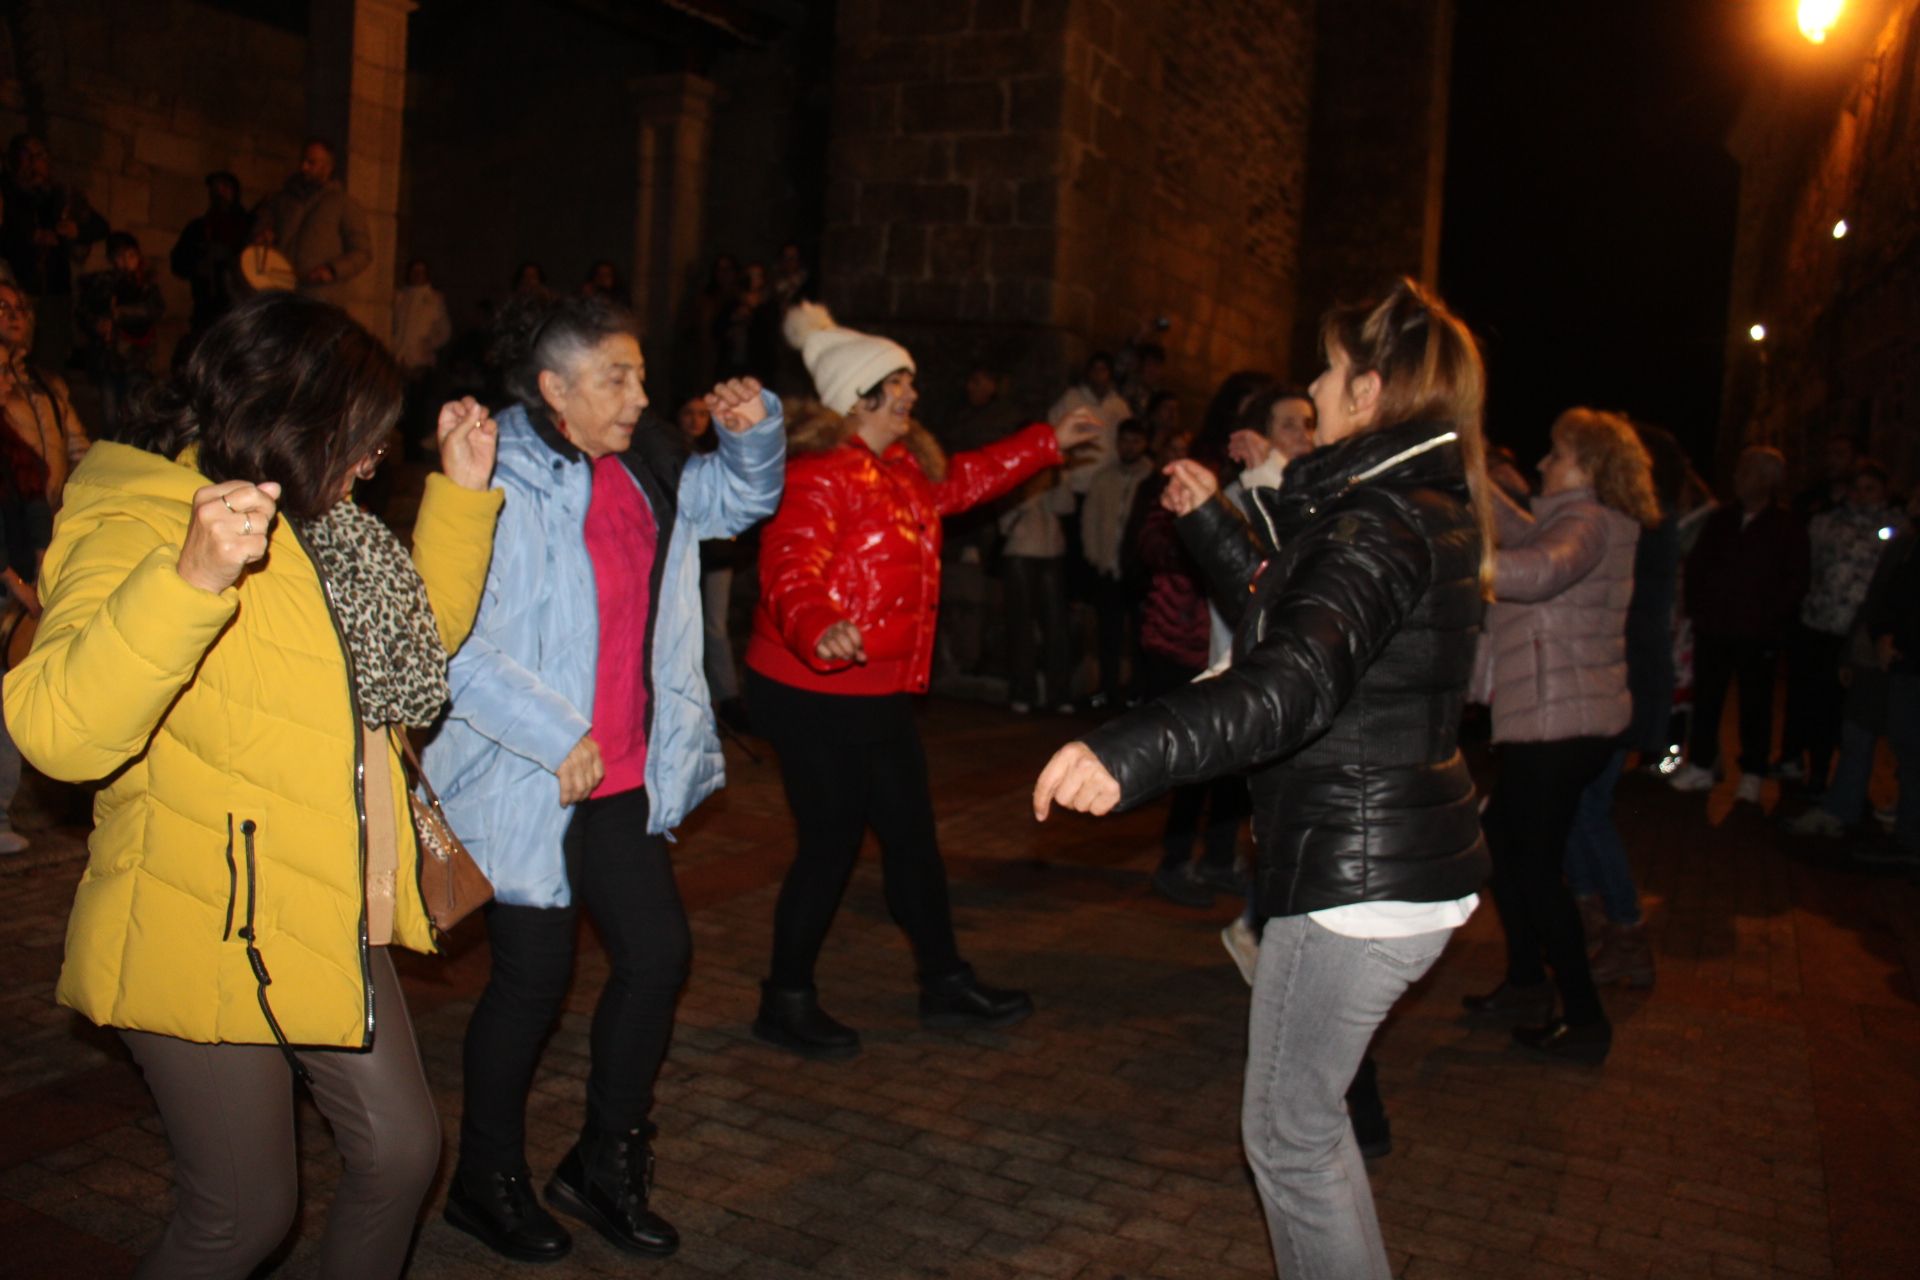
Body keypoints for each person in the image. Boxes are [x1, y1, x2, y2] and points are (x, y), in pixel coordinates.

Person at [2, 291, 503, 1279]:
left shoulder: (327, 523)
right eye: (360, 438)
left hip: (323, 904)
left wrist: (460, 495)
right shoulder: (134, 515)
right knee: (241, 1213)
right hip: (199, 918)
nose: (371, 462)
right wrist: (187, 582)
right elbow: (57, 729)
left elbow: (407, 649)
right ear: (294, 414)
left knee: (401, 1151)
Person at [1033, 277, 1492, 1280]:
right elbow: (1303, 615)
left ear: (1370, 390)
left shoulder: (1379, 519)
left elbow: (1292, 679)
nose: (1314, 387)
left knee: (1290, 1134)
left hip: (1358, 874)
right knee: (1310, 1129)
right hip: (1393, 853)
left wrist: (1128, 749)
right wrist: (1213, 526)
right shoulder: (1414, 506)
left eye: (1328, 371)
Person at [424, 293, 784, 1264]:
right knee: (532, 980)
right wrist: (553, 730)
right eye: (616, 377)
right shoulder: (488, 472)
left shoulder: (647, 465)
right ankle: (483, 1178)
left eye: (639, 372)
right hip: (526, 776)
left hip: (623, 774)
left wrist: (756, 438)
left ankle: (602, 1160)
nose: (642, 392)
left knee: (657, 956)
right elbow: (452, 641)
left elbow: (739, 502)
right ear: (553, 387)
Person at [747, 301, 1097, 1059]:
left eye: (908, 383)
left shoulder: (904, 470)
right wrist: (816, 623)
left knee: (912, 842)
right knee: (831, 845)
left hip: (873, 692)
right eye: (896, 384)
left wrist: (1045, 442)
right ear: (857, 398)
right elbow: (788, 567)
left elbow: (967, 481)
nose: (912, 395)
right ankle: (785, 999)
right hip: (813, 690)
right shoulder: (819, 473)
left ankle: (944, 982)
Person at [1463, 410, 1658, 1063]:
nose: (1544, 463)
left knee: (1535, 868)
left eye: (1557, 452)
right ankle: (1528, 985)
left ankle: (1583, 1017)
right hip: (1558, 720)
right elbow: (1520, 529)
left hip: (1558, 724)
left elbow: (1534, 570)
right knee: (1509, 852)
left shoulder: (1591, 523)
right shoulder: (1580, 519)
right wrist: (1468, 470)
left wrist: (1452, 553)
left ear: (1590, 465)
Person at [1565, 420, 1691, 989]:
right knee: (1578, 805)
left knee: (1586, 807)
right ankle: (1599, 919)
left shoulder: (1641, 522)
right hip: (1622, 676)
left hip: (1626, 679)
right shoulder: (1644, 518)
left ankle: (1622, 926)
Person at [1669, 446, 1809, 802]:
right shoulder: (1722, 520)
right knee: (1707, 699)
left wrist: (1769, 618)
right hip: (1714, 627)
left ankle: (1753, 772)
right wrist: (1700, 610)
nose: (1736, 478)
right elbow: (1698, 566)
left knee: (1755, 705)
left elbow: (1795, 580)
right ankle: (1700, 764)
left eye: (1745, 471)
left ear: (1765, 480)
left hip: (1757, 632)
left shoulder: (1786, 526)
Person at [1778, 460, 1905, 792]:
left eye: (1870, 489)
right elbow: (1811, 563)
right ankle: (1816, 773)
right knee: (1818, 704)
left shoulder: (1896, 527)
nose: (1862, 496)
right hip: (1822, 625)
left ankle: (1851, 788)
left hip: (1862, 634)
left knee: (1857, 715)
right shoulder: (1827, 523)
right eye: (1857, 488)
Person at [678, 394, 754, 733]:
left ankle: (728, 699)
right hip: (682, 555)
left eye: (702, 414)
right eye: (689, 413)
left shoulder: (717, 452)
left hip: (716, 555)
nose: (696, 420)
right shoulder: (669, 450)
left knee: (714, 627)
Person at [0, 134, 108, 371]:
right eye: (28, 155)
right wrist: (30, 235)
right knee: (11, 359)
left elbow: (99, 226)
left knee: (48, 363)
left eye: (40, 156)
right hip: (15, 290)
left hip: (53, 293)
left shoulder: (58, 196)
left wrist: (75, 230)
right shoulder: (6, 193)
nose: (35, 162)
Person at [1081, 417, 1155, 707]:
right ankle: (1108, 687)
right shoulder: (1103, 478)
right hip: (1108, 568)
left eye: (1135, 441)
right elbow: (1090, 520)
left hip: (1137, 571)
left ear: (1145, 444)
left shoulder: (1151, 478)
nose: (1129, 447)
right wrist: (1095, 557)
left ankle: (1136, 689)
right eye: (1124, 440)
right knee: (1108, 633)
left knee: (1140, 634)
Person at [251, 138, 373, 303]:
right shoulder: (282, 200)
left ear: (327, 167)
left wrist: (332, 270)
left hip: (320, 296)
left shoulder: (343, 204)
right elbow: (263, 224)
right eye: (303, 161)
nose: (304, 167)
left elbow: (362, 251)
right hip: (280, 289)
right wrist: (262, 234)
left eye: (311, 162)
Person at [0, 282, 88, 508]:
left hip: (52, 517)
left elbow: (79, 451)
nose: (14, 315)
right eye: (2, 307)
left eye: (20, 308)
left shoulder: (49, 383)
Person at [76, 231, 166, 436]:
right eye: (120, 256)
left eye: (131, 255)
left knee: (135, 413)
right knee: (110, 416)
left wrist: (122, 314)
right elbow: (83, 312)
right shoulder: (102, 284)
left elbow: (154, 310)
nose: (126, 262)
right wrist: (97, 324)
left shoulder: (146, 286)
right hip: (108, 361)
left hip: (136, 360)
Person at [1000, 467, 1074, 713]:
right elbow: (1003, 525)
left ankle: (1059, 694)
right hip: (1019, 556)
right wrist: (1028, 494)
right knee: (1021, 628)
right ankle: (1023, 692)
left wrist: (1060, 477)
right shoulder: (1013, 483)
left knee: (1056, 627)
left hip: (1052, 555)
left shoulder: (1055, 480)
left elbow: (1067, 507)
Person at [169, 171, 252, 346]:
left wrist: (231, 258)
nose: (220, 193)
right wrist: (199, 260)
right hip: (206, 309)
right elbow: (178, 264)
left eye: (225, 187)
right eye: (216, 188)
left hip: (239, 309)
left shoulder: (248, 228)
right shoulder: (198, 229)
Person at [1047, 351, 1131, 491]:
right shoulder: (1072, 398)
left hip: (1107, 480)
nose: (1098, 374)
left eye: (1103, 369)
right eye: (1095, 369)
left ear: (1110, 373)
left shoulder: (1119, 406)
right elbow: (1053, 425)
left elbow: (1127, 435)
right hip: (1078, 479)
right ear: (1088, 373)